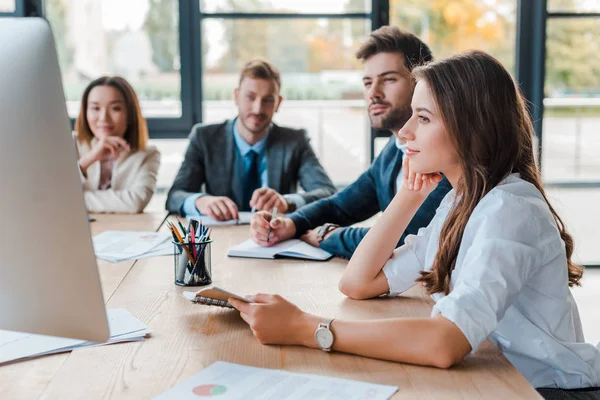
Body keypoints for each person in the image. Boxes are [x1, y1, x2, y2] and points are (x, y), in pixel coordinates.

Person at [230, 51, 600, 399]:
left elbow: (444, 343)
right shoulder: (460, 201)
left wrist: (305, 329)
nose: (405, 132)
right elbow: (357, 283)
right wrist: (408, 196)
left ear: (472, 128)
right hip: (496, 375)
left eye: (422, 118)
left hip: (546, 389)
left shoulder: (509, 209)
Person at [250, 26, 451, 259]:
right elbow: (341, 206)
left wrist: (328, 236)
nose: (373, 93)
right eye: (367, 82)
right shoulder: (393, 151)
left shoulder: (440, 154)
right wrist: (289, 224)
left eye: (388, 80)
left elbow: (403, 238)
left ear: (421, 84)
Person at [166, 59, 336, 221]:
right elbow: (175, 196)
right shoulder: (205, 138)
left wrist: (287, 202)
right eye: (250, 97)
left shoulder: (295, 141)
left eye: (268, 100)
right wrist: (200, 201)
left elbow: (327, 192)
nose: (258, 108)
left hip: (274, 240)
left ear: (278, 103)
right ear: (236, 96)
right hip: (219, 236)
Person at [74, 76, 160, 213]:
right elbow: (54, 194)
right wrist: (87, 160)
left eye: (115, 108)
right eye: (95, 108)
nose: (103, 118)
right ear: (85, 113)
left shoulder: (148, 154)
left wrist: (78, 200)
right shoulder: (72, 144)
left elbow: (135, 202)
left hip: (125, 229)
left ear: (130, 114)